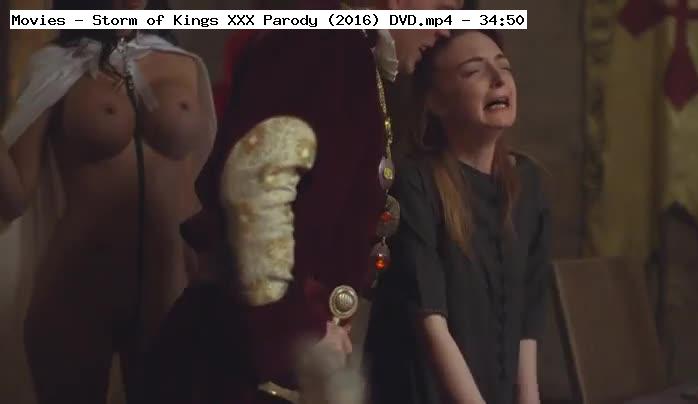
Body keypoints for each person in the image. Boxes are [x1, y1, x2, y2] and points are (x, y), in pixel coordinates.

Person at [140, 1, 463, 403]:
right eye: (441, 6)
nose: (447, 23)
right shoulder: (319, 44)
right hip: (240, 362)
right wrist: (296, 334)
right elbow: (257, 188)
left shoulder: (348, 50)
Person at [0, 0, 216, 402]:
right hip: (78, 287)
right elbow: (14, 199)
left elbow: (208, 182)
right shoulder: (55, 66)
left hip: (171, 286)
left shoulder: (185, 64)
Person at [365, 30, 552, 404]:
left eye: (504, 67)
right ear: (436, 100)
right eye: (473, 71)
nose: (498, 79)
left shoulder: (528, 181)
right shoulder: (415, 182)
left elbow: (526, 321)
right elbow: (430, 322)